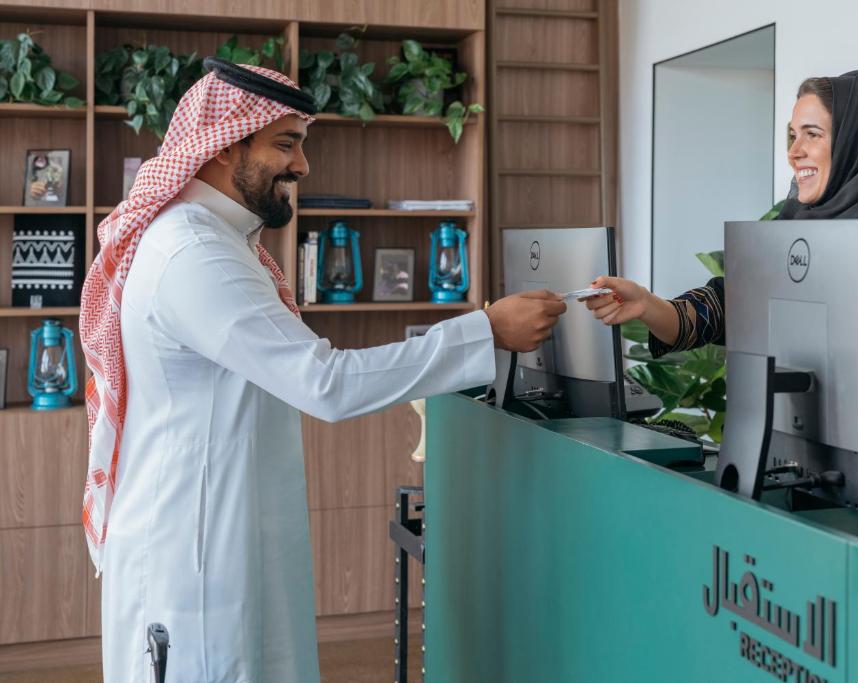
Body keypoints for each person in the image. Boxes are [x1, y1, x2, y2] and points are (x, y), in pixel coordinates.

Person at [79, 58, 566, 682]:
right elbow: (325, 384)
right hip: (192, 559)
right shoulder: (194, 253)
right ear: (226, 146)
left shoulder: (216, 240)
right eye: (286, 144)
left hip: (221, 538)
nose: (302, 167)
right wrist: (485, 331)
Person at [584, 71, 858, 354]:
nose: (794, 152)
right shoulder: (793, 238)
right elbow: (719, 310)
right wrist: (644, 303)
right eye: (793, 135)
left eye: (812, 134)